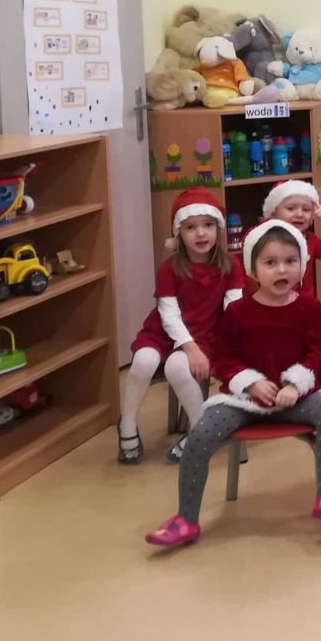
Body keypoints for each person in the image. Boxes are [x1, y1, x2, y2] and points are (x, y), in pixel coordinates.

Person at [145, 221, 321, 548]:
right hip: (245, 402)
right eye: (270, 263)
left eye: (290, 261)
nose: (281, 270)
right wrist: (250, 383)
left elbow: (320, 353)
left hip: (298, 399)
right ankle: (186, 518)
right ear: (253, 269)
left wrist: (296, 384)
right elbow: (223, 359)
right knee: (201, 432)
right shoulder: (238, 312)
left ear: (302, 265)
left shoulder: (309, 307)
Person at [118, 188, 243, 465]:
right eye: (190, 227)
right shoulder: (169, 269)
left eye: (208, 225)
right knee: (143, 362)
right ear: (179, 233)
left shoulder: (230, 265)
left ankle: (200, 431)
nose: (201, 233)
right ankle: (127, 424)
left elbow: (234, 310)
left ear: (218, 228)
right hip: (164, 332)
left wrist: (226, 346)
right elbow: (169, 315)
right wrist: (190, 348)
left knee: (176, 367)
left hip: (207, 334)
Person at [260, 179, 321, 300]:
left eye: (306, 210)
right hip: (272, 303)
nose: (300, 214)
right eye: (291, 208)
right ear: (273, 212)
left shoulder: (310, 240)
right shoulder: (262, 238)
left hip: (304, 304)